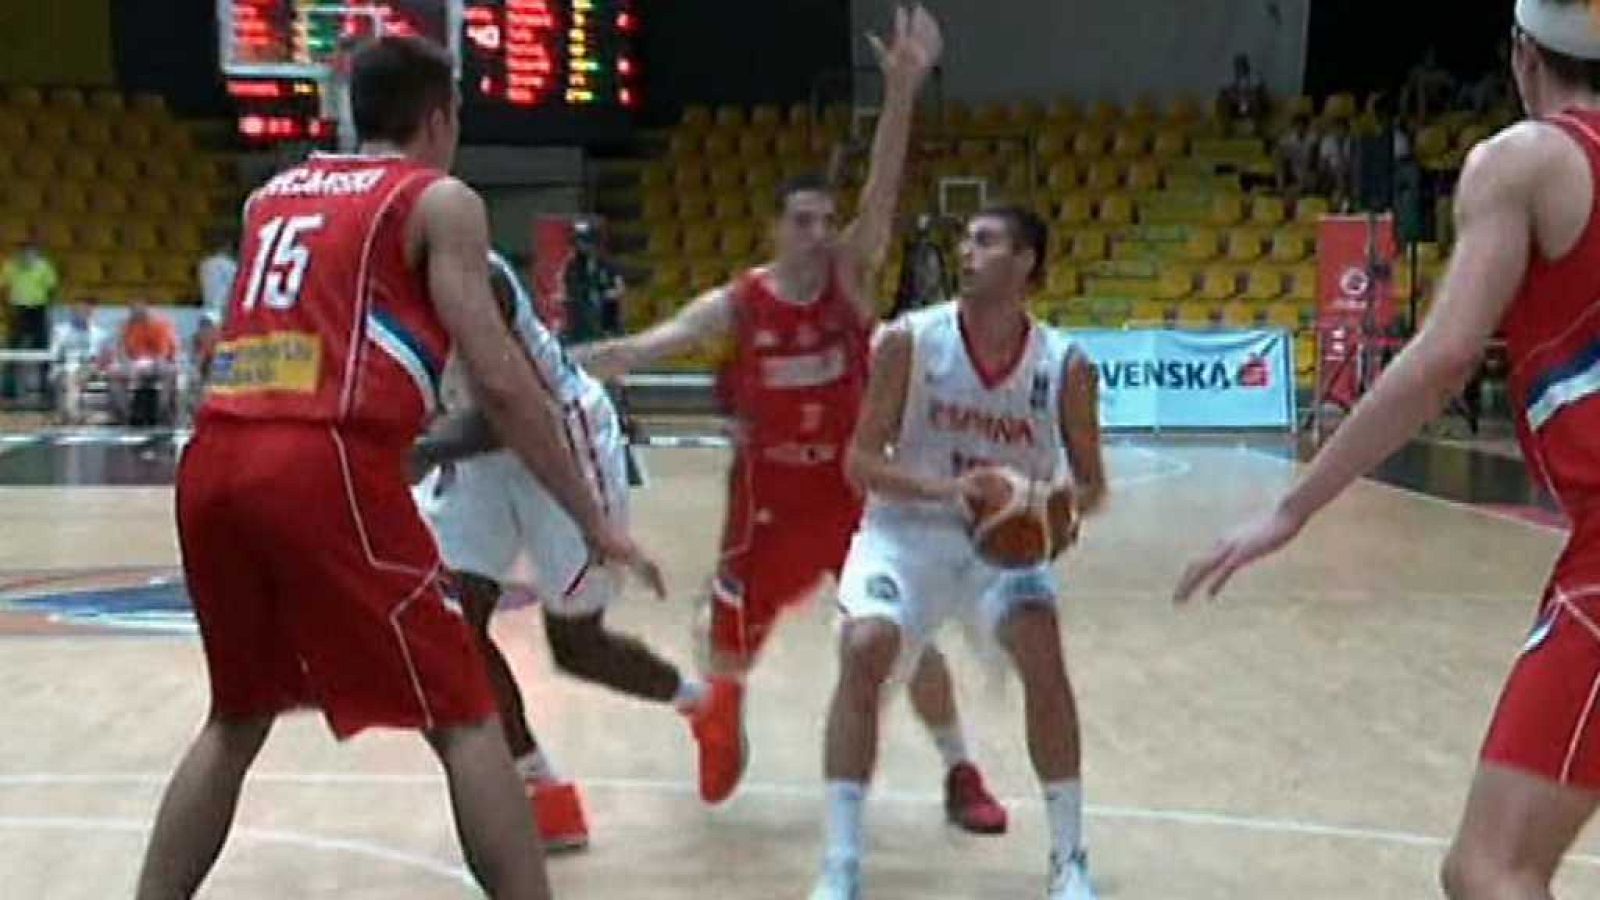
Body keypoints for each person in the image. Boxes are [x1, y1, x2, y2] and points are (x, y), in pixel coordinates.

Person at [133, 36, 657, 900]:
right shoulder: (438, 200)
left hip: (215, 460)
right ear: (441, 117)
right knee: (465, 717)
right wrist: (593, 517)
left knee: (235, 717)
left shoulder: (273, 195)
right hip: (321, 461)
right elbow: (502, 379)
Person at [1176, 3, 1600, 897]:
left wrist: (1295, 504)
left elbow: (1443, 359)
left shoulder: (1522, 159)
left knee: (1491, 870)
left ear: (1523, 53)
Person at [582, 7, 1006, 832]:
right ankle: (720, 715)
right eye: (802, 221)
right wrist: (562, 362)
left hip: (855, 499)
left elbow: (882, 188)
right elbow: (646, 346)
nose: (817, 233)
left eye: (825, 220)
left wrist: (902, 91)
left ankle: (961, 771)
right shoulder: (741, 301)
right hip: (767, 507)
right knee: (723, 640)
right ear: (778, 229)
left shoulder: (851, 278)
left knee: (908, 639)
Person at [808, 206, 1108, 900]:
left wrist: (1056, 514)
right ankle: (841, 861)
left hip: (1001, 550)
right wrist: (953, 490)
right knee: (865, 648)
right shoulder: (909, 340)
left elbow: (1092, 484)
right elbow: (858, 462)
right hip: (907, 530)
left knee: (1042, 647)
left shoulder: (1065, 363)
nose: (966, 252)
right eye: (965, 240)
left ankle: (1069, 860)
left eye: (985, 240)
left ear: (1026, 260)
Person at [410, 250, 710, 852]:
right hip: (473, 448)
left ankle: (700, 704)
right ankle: (541, 789)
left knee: (577, 648)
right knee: (445, 625)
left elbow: (514, 411)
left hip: (557, 437)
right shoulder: (364, 271)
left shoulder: (474, 274)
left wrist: (415, 450)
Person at [109, 301, 180, 426]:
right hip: (135, 364)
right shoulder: (127, 326)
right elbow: (121, 350)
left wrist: (144, 365)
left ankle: (162, 414)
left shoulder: (160, 324)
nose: (134, 310)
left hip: (159, 363)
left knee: (169, 373)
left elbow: (162, 353)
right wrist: (127, 364)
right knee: (114, 372)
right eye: (132, 307)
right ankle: (126, 416)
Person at [560, 218, 627, 344]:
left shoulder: (607, 264)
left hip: (606, 326)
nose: (581, 245)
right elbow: (566, 291)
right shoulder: (572, 266)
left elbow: (620, 289)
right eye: (578, 241)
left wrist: (605, 295)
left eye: (584, 240)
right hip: (580, 326)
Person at [48, 301, 110, 425]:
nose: (83, 314)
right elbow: (54, 353)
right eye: (80, 311)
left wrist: (92, 365)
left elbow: (100, 357)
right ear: (73, 312)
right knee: (65, 379)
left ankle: (71, 415)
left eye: (87, 311)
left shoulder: (100, 333)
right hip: (65, 366)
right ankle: (70, 415)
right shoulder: (60, 330)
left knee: (72, 379)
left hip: (89, 367)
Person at [196, 233, 238, 327]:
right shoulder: (229, 265)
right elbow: (236, 287)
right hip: (223, 311)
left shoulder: (204, 264)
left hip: (208, 309)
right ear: (227, 247)